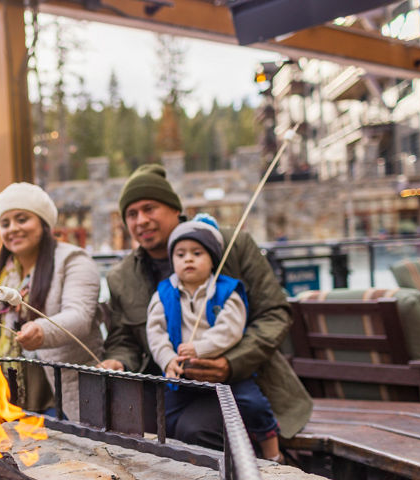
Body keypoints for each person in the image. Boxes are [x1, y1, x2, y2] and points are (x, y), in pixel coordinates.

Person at [100, 163, 311, 451]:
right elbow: (123, 339)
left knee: (193, 430)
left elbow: (275, 312)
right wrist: (119, 362)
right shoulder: (122, 277)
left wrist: (230, 363)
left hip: (244, 383)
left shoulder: (232, 245)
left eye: (149, 208)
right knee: (124, 426)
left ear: (176, 209)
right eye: (131, 214)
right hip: (174, 387)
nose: (141, 221)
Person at [147, 215, 281, 461]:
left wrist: (201, 347)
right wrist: (167, 359)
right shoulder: (163, 293)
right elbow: (155, 332)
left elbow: (230, 329)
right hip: (183, 373)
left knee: (255, 404)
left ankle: (273, 453)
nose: (188, 258)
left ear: (213, 260)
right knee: (165, 414)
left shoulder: (226, 290)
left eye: (197, 253)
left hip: (226, 373)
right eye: (180, 254)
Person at [0, 182, 103, 422]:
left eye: (22, 219)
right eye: (5, 223)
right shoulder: (2, 273)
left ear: (43, 222)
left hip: (62, 392)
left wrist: (42, 330)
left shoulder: (73, 260)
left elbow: (79, 315)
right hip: (12, 391)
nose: (13, 229)